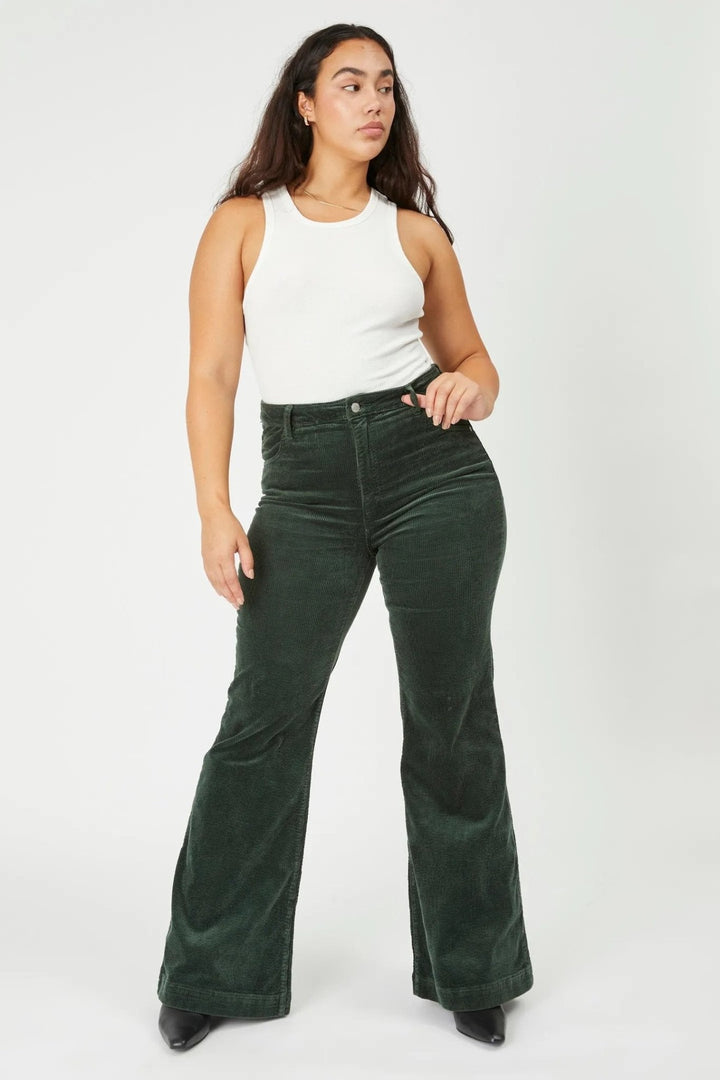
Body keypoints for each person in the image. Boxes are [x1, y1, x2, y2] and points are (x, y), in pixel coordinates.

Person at [156, 22, 534, 1052]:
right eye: (351, 84)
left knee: (451, 719)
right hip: (304, 485)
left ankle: (474, 967)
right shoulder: (245, 222)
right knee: (262, 722)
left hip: (434, 475)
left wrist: (471, 387)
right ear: (306, 103)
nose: (375, 102)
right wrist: (214, 508)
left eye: (387, 87)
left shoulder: (415, 233)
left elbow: (477, 363)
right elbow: (211, 374)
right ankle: (212, 968)